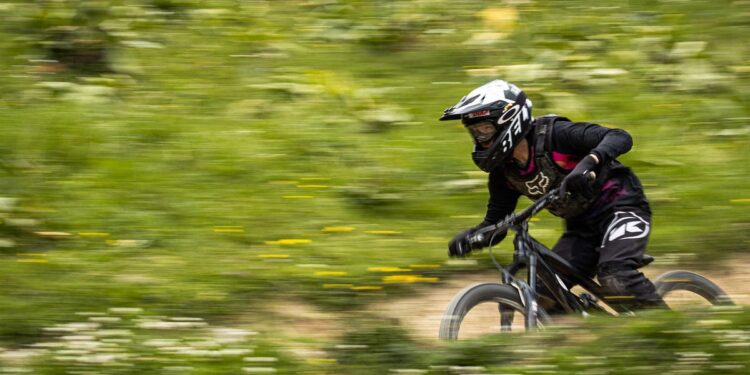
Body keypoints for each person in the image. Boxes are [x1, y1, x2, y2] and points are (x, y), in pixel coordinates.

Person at [440, 79, 665, 311]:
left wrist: (588, 163)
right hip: (581, 229)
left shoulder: (555, 135)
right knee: (544, 295)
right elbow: (497, 224)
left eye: (484, 130)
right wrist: (472, 238)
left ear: (509, 120)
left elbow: (620, 137)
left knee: (616, 276)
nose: (479, 139)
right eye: (474, 132)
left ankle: (671, 329)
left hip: (621, 207)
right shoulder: (503, 173)